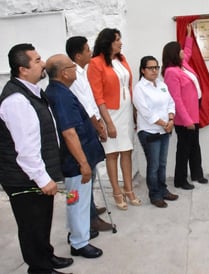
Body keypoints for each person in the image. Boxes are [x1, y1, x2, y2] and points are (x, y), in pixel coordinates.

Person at [0, 44, 73, 274]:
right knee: (31, 225)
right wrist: (43, 179)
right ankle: (39, 269)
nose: (43, 64)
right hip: (23, 177)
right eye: (38, 60)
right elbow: (26, 148)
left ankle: (46, 257)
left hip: (34, 173)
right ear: (23, 69)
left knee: (42, 221)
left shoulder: (31, 91)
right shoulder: (17, 101)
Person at [45, 54, 105, 258]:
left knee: (75, 199)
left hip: (76, 159)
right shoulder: (61, 96)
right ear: (64, 73)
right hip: (75, 162)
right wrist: (83, 163)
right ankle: (80, 243)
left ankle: (77, 234)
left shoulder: (60, 91)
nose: (75, 69)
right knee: (77, 201)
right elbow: (69, 132)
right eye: (72, 66)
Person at [87, 28, 141, 210]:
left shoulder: (121, 59)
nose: (120, 42)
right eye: (117, 39)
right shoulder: (96, 63)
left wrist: (134, 111)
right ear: (108, 42)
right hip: (110, 113)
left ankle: (129, 188)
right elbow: (97, 96)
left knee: (127, 151)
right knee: (112, 153)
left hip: (126, 112)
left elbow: (128, 86)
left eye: (120, 39)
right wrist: (108, 122)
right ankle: (116, 191)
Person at [66, 36, 112, 232]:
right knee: (86, 176)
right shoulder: (73, 76)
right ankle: (91, 218)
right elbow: (84, 106)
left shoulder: (83, 72)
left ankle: (90, 207)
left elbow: (91, 101)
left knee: (91, 174)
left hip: (92, 125)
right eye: (86, 50)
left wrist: (100, 122)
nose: (90, 52)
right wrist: (98, 126)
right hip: (84, 130)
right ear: (78, 55)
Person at [161, 26, 208, 190]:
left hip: (194, 112)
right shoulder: (171, 72)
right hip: (184, 118)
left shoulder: (183, 65)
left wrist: (188, 35)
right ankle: (180, 180)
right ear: (174, 53)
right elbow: (176, 99)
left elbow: (188, 51)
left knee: (194, 145)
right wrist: (187, 120)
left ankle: (197, 174)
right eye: (179, 50)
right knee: (184, 148)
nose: (183, 52)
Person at [133, 56, 179, 208]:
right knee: (153, 165)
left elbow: (171, 102)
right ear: (143, 70)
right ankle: (155, 195)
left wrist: (171, 120)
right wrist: (165, 123)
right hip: (149, 131)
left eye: (156, 67)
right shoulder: (139, 88)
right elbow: (146, 112)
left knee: (162, 163)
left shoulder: (161, 84)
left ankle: (163, 190)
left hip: (165, 130)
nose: (154, 71)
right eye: (151, 68)